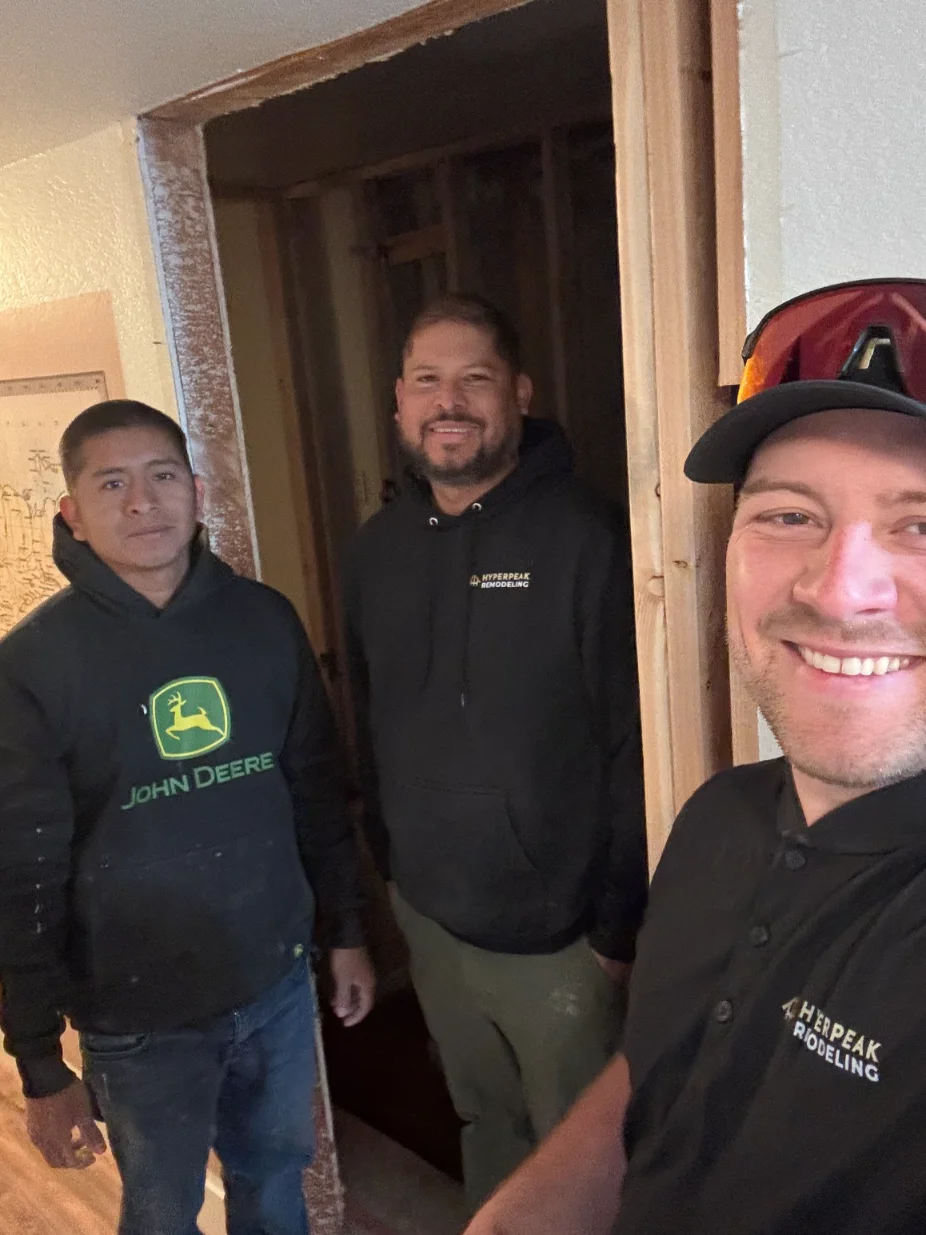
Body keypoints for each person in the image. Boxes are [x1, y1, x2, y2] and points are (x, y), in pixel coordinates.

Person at [463, 277, 926, 1235]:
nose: (841, 591)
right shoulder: (720, 815)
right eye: (789, 514)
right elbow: (657, 1066)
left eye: (919, 523)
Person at [0, 400, 376, 1235]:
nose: (143, 501)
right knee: (163, 1210)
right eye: (113, 483)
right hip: (139, 1017)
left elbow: (316, 789)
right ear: (72, 512)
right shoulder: (32, 667)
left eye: (162, 476)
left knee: (275, 1178)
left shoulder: (265, 621)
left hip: (274, 983)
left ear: (197, 491)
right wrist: (37, 1059)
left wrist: (346, 929)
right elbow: (23, 873)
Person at [342, 294, 647, 1210]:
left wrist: (617, 929)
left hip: (561, 940)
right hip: (431, 920)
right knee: (484, 1122)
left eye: (474, 378)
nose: (451, 402)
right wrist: (391, 871)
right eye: (428, 381)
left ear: (518, 392)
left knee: (584, 1159)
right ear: (399, 402)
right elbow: (367, 712)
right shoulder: (376, 550)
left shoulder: (587, 540)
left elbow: (635, 744)